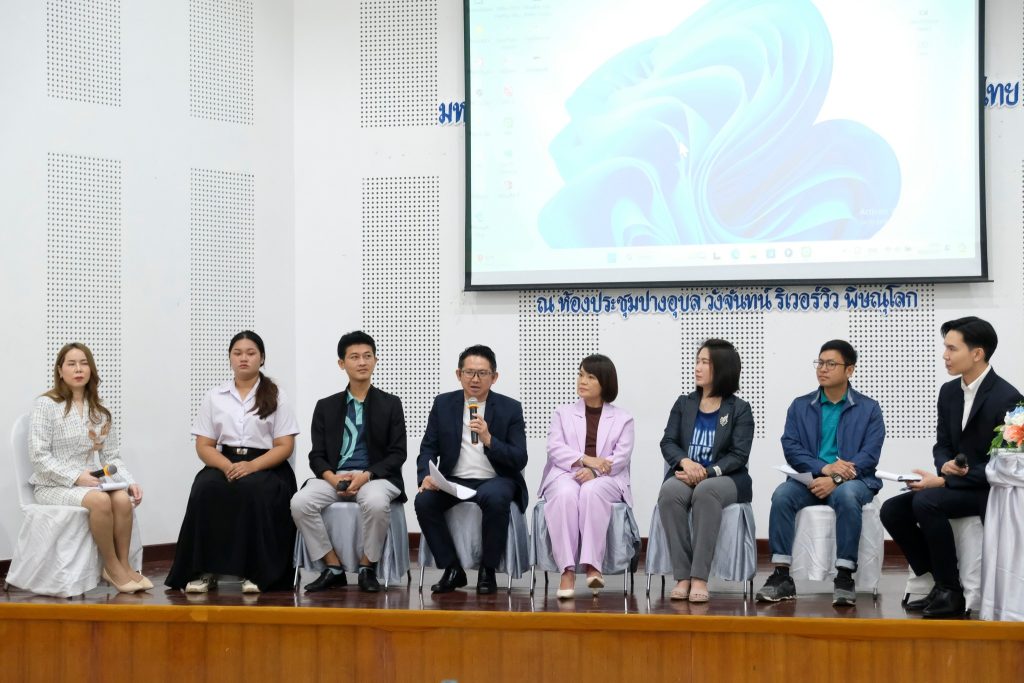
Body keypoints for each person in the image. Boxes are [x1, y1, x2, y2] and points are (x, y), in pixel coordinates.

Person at [881, 317, 1023, 618]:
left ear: (977, 353)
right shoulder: (948, 392)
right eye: (945, 347)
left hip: (988, 489)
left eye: (952, 348)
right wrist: (944, 466)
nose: (944, 355)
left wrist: (946, 481)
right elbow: (942, 444)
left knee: (926, 501)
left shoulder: (1011, 399)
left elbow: (1010, 466)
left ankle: (951, 592)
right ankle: (939, 580)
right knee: (892, 510)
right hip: (955, 485)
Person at [166, 331, 300, 594]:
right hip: (224, 461)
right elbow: (204, 445)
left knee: (254, 490)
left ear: (262, 358)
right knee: (205, 489)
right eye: (237, 353)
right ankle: (204, 571)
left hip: (266, 463)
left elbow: (285, 446)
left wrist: (252, 466)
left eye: (251, 353)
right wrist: (227, 466)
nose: (243, 358)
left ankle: (257, 573)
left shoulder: (277, 395)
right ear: (230, 358)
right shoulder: (215, 396)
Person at [755, 340, 884, 607]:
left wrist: (836, 479)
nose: (822, 369)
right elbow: (791, 447)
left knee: (847, 496)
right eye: (820, 363)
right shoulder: (801, 406)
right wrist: (824, 469)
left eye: (831, 364)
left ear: (849, 370)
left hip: (853, 480)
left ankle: (844, 576)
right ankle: (781, 576)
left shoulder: (869, 408)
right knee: (782, 495)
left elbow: (869, 456)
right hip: (810, 479)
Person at [28, 342, 150, 593]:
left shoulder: (100, 411)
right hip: (52, 484)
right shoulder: (46, 405)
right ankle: (111, 566)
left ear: (91, 370)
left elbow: (111, 457)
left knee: (122, 499)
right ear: (60, 370)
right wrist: (76, 476)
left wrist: (130, 482)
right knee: (101, 501)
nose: (78, 369)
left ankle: (125, 565)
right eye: (71, 364)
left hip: (90, 481)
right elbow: (38, 456)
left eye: (84, 363)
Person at [291, 331, 407, 593]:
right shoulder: (326, 406)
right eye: (354, 357)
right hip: (335, 477)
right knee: (300, 502)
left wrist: (366, 475)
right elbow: (316, 455)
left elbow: (398, 453)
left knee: (375, 502)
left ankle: (368, 566)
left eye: (367, 356)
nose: (362, 362)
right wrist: (332, 478)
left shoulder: (391, 404)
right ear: (341, 363)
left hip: (375, 477)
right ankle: (333, 567)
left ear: (376, 360)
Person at [415, 344, 528, 595]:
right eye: (469, 372)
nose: (475, 379)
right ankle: (453, 569)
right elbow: (428, 448)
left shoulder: (510, 408)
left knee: (495, 498)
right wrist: (426, 476)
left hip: (495, 479)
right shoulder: (443, 404)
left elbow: (519, 458)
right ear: (459, 374)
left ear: (494, 377)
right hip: (455, 479)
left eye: (482, 373)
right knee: (424, 502)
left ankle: (488, 570)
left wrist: (489, 439)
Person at [657, 339, 754, 603]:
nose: (697, 367)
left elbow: (739, 455)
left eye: (705, 362)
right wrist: (685, 462)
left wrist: (706, 473)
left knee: (706, 492)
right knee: (669, 493)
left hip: (725, 478)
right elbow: (668, 442)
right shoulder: (684, 404)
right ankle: (683, 577)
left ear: (722, 368)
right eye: (697, 361)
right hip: (685, 473)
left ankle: (699, 577)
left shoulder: (739, 409)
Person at [539, 354, 634, 599]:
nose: (582, 381)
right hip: (566, 472)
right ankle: (567, 570)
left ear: (605, 382)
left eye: (591, 377)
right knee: (565, 494)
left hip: (607, 478)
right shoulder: (562, 413)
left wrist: (595, 471)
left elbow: (621, 457)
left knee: (592, 491)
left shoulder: (623, 419)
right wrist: (586, 460)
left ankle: (593, 566)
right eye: (581, 374)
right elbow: (555, 448)